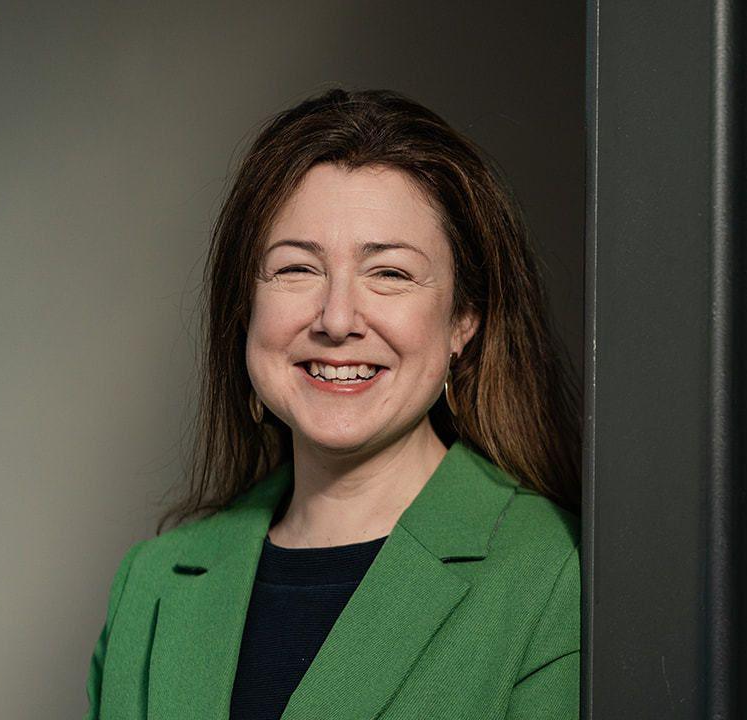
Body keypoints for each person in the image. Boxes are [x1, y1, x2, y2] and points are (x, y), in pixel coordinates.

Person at [85, 88, 581, 720]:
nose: (338, 319)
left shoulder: (554, 575)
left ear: (463, 320)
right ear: (246, 305)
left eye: (391, 274)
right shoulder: (150, 585)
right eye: (296, 269)